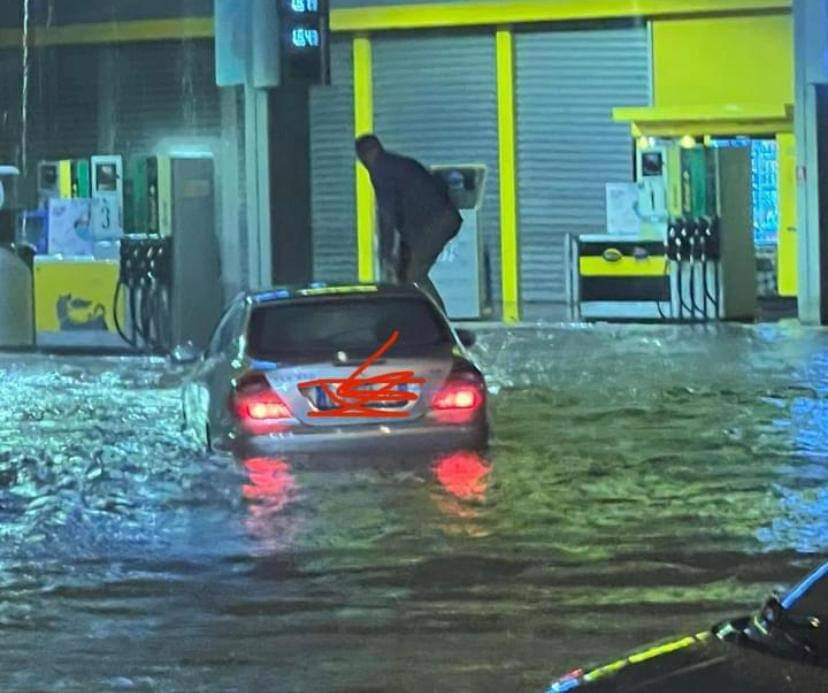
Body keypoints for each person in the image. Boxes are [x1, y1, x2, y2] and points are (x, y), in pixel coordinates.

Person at [355, 134, 462, 312]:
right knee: (405, 273)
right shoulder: (396, 163)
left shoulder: (381, 169)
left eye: (361, 157)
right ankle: (415, 318)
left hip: (437, 223)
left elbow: (387, 214)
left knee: (414, 275)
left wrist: (386, 252)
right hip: (437, 221)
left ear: (367, 153)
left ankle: (440, 321)